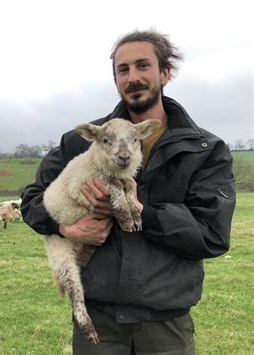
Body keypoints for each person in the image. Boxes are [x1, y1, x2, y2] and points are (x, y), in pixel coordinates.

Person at [21, 29, 236, 354]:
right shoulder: (80, 141)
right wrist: (65, 227)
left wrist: (142, 211)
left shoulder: (204, 150)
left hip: (166, 326)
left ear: (165, 72)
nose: (133, 77)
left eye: (142, 66)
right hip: (100, 321)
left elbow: (212, 236)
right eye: (123, 70)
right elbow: (33, 201)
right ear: (116, 80)